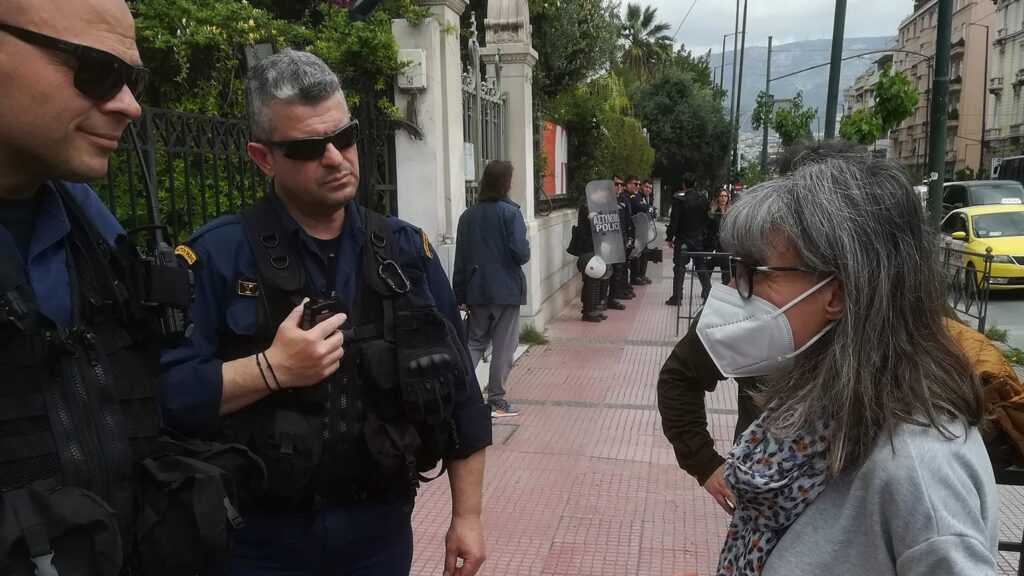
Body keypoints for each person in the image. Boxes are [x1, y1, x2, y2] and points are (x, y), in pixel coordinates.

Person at [159, 50, 491, 576]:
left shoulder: (407, 251)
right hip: (257, 540)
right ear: (263, 158)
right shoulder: (219, 256)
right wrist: (270, 370)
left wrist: (467, 516)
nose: (335, 158)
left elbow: (463, 395)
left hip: (379, 532)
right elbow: (168, 396)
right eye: (308, 147)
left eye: (345, 137)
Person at [704, 154, 995, 574]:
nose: (734, 287)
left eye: (755, 271)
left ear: (838, 293)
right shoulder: (812, 409)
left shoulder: (919, 469)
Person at [453, 160, 530, 418]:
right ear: (505, 182)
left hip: (476, 290)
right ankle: (497, 400)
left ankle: (457, 393)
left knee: (474, 342)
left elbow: (460, 259)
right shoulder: (511, 213)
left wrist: (459, 293)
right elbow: (521, 253)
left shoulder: (467, 216)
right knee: (504, 346)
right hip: (506, 291)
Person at [664, 173, 710, 306]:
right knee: (700, 265)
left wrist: (669, 237)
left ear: (683, 184)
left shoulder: (679, 199)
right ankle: (709, 294)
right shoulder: (702, 199)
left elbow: (674, 221)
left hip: (682, 238)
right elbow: (707, 218)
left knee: (679, 267)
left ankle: (677, 297)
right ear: (695, 184)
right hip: (698, 238)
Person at [701, 188, 731, 292]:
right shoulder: (712, 212)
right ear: (717, 198)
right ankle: (706, 291)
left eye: (725, 196)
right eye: (721, 196)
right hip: (713, 245)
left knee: (726, 269)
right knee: (709, 267)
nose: (723, 198)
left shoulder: (731, 212)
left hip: (726, 245)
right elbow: (707, 228)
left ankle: (725, 290)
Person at [628, 179, 654, 286]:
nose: (648, 189)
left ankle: (641, 275)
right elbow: (640, 207)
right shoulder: (636, 196)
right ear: (642, 186)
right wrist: (648, 207)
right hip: (637, 230)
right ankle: (635, 276)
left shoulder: (644, 198)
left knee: (645, 252)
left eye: (650, 188)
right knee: (637, 253)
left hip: (643, 231)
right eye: (646, 187)